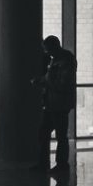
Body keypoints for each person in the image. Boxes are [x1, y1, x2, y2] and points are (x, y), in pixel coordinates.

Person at [31, 35, 76, 174]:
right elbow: (51, 78)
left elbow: (63, 83)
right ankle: (50, 164)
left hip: (59, 104)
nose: (47, 53)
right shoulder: (57, 59)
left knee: (59, 135)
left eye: (47, 50)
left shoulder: (65, 60)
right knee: (45, 133)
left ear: (53, 47)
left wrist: (45, 82)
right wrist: (41, 80)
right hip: (52, 104)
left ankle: (60, 165)